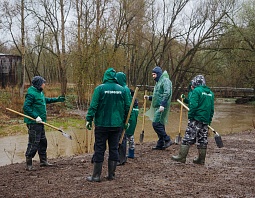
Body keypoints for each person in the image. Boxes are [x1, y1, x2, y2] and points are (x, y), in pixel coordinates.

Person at [85, 68, 130, 182]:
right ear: (114, 77)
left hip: (102, 124)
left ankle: (96, 176)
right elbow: (127, 108)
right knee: (114, 148)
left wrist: (89, 119)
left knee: (99, 148)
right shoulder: (122, 90)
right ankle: (111, 175)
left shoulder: (99, 89)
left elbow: (93, 106)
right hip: (117, 125)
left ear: (105, 76)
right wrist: (126, 122)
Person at [23, 76, 65, 171]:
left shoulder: (39, 92)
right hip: (34, 123)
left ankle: (43, 161)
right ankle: (29, 164)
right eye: (43, 83)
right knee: (34, 142)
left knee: (43, 141)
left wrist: (57, 99)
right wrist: (35, 117)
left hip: (40, 122)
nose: (44, 84)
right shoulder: (31, 94)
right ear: (38, 84)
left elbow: (45, 100)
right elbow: (26, 107)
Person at [171, 75, 214, 165]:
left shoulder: (196, 91)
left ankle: (181, 157)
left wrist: (190, 116)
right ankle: (201, 160)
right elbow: (212, 109)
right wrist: (209, 120)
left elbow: (193, 105)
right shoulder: (210, 93)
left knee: (188, 137)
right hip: (205, 120)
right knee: (202, 139)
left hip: (196, 119)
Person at [144, 66, 173, 150]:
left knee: (156, 124)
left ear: (158, 74)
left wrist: (163, 104)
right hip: (159, 106)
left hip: (163, 106)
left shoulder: (165, 81)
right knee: (160, 124)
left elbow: (167, 93)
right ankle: (160, 143)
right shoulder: (158, 82)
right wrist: (149, 97)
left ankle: (167, 139)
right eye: (152, 74)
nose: (153, 76)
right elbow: (158, 95)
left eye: (154, 74)